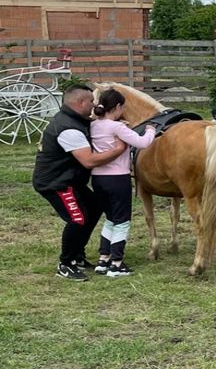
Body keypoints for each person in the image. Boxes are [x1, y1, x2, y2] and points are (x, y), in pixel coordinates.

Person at [32, 84, 127, 281]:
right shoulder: (68, 129)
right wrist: (119, 149)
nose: (94, 105)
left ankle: (77, 255)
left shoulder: (75, 119)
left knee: (94, 207)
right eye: (91, 101)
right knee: (77, 218)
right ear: (81, 102)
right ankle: (65, 264)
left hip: (70, 180)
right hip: (56, 183)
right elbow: (89, 160)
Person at [90, 89, 157, 277]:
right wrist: (151, 130)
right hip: (118, 178)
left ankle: (103, 259)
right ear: (118, 106)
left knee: (110, 218)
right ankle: (117, 263)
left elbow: (108, 130)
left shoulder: (95, 125)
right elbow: (143, 143)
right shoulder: (118, 128)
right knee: (122, 221)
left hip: (98, 178)